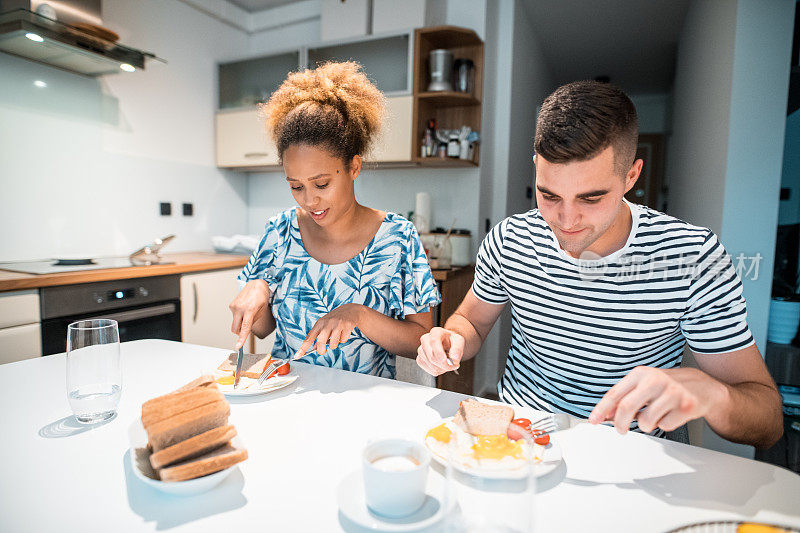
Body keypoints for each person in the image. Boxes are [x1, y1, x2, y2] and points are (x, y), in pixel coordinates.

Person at [416, 80, 782, 448]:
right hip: (520, 442)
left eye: (591, 198)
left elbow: (768, 421)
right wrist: (452, 339)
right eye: (549, 195)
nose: (566, 219)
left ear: (631, 176)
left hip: (629, 453)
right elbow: (472, 323)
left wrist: (713, 394)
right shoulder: (509, 239)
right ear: (536, 168)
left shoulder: (692, 257)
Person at [230, 61, 440, 379]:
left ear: (354, 167)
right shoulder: (279, 232)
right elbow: (262, 330)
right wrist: (257, 290)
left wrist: (359, 314)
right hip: (287, 393)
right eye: (295, 186)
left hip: (365, 407)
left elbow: (419, 341)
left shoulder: (398, 237)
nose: (309, 200)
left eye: (322, 183)